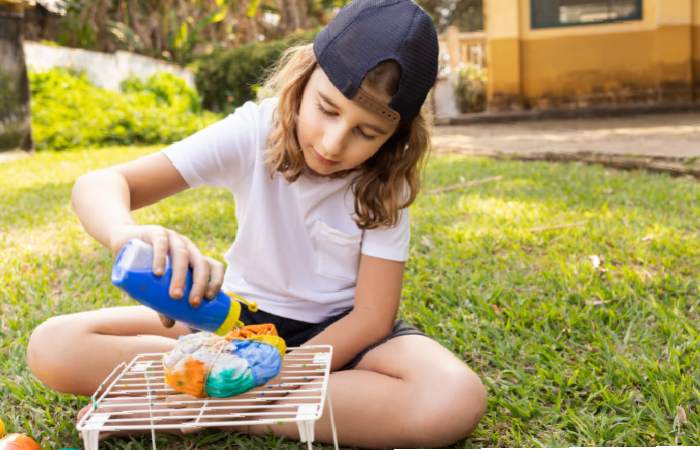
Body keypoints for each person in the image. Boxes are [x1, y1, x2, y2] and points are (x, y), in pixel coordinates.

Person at [26, 0, 487, 447]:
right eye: (327, 109)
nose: (332, 142)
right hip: (234, 328)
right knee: (55, 345)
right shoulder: (256, 130)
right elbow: (99, 183)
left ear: (395, 137)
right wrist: (124, 232)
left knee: (453, 398)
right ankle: (237, 401)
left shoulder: (388, 180)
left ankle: (200, 407)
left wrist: (281, 375)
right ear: (304, 78)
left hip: (341, 340)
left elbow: (371, 318)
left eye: (366, 133)